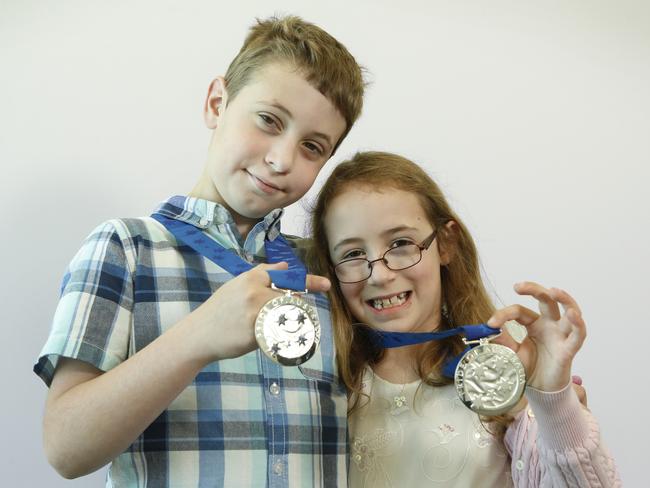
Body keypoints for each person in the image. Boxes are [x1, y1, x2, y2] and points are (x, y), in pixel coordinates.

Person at [33, 16, 365, 487]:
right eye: (269, 120)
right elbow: (64, 448)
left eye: (312, 147)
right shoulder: (126, 249)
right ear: (217, 103)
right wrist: (200, 335)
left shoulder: (326, 270)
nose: (281, 159)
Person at [308, 151, 621, 487]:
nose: (380, 276)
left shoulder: (507, 375)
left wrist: (552, 398)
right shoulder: (321, 388)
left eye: (401, 243)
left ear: (446, 243)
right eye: (353, 254)